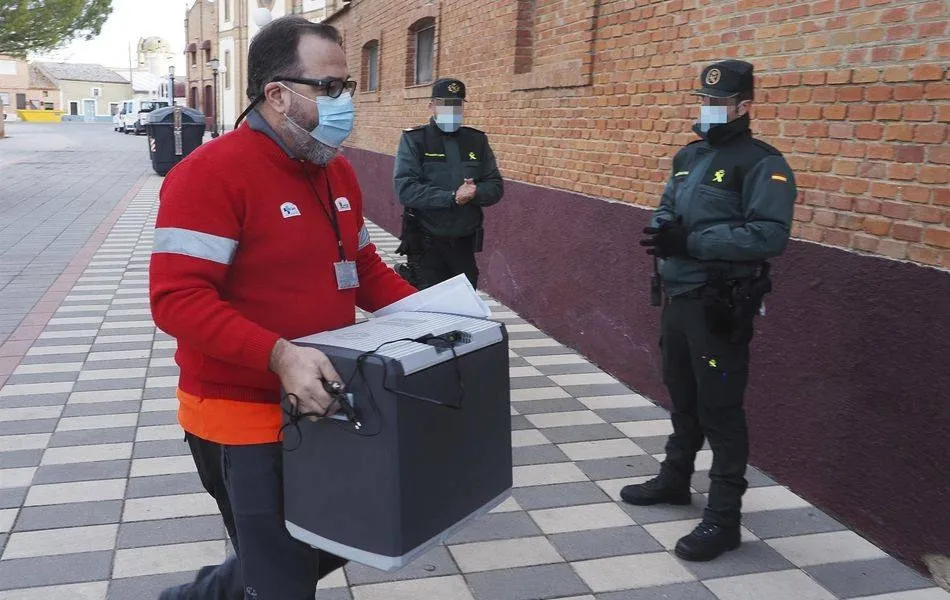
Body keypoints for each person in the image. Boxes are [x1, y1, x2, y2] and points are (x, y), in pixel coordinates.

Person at [149, 16, 416, 599]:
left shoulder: (333, 168)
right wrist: (277, 355)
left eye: (348, 86)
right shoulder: (209, 174)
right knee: (281, 579)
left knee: (322, 545)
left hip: (324, 403)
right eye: (332, 88)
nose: (347, 102)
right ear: (277, 94)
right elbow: (176, 299)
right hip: (238, 419)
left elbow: (364, 271)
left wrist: (443, 317)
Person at [621, 59, 796, 562]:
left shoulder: (762, 163)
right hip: (677, 298)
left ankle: (724, 517)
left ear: (744, 106)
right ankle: (676, 480)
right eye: (704, 100)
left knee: (720, 408)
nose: (709, 109)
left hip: (718, 304)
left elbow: (770, 234)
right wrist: (663, 229)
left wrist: (693, 240)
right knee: (682, 395)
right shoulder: (689, 155)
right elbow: (666, 205)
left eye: (719, 102)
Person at [393, 77, 504, 289]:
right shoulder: (415, 139)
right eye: (445, 104)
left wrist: (475, 192)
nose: (452, 110)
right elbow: (405, 189)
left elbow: (495, 186)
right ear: (432, 106)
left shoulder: (476, 140)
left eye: (457, 104)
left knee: (464, 308)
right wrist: (451, 197)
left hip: (464, 244)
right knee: (429, 312)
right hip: (426, 244)